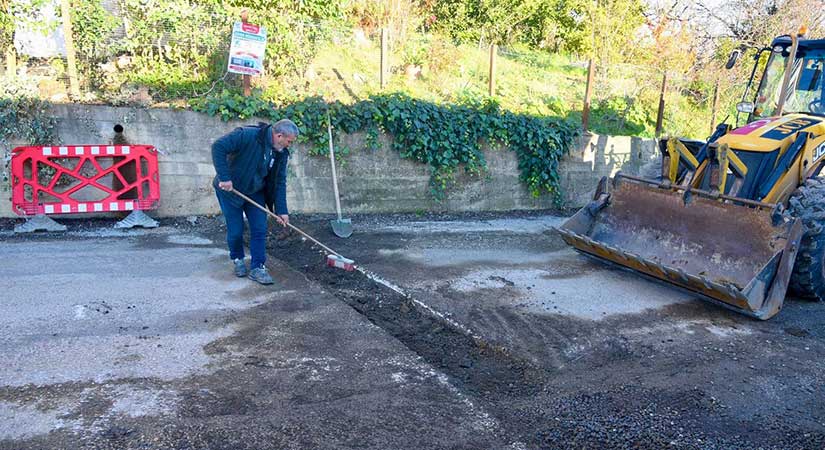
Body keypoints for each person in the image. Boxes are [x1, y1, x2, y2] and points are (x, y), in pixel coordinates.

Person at [211, 119, 298, 285]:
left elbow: (279, 181)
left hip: (255, 191)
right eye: (289, 141)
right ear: (279, 135)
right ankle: (237, 259)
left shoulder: (280, 153)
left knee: (259, 228)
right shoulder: (248, 135)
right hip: (230, 190)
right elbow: (218, 147)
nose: (289, 145)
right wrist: (224, 177)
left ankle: (258, 267)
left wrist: (281, 210)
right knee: (236, 230)